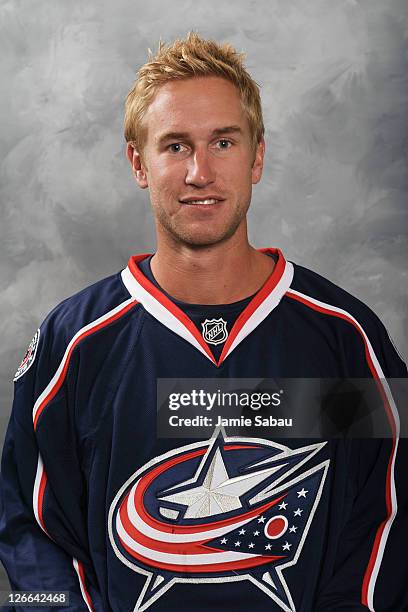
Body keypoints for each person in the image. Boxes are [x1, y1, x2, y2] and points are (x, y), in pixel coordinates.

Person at [0, 32, 406, 612]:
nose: (200, 172)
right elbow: (28, 529)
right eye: (174, 146)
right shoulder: (74, 344)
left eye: (222, 141)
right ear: (139, 163)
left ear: (257, 156)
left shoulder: (345, 337)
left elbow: (390, 509)